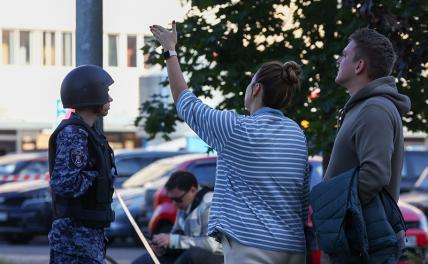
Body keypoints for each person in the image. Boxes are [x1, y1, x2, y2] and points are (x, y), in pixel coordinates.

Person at [149, 22, 309, 264]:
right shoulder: (296, 134)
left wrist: (170, 51)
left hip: (250, 248)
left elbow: (185, 102)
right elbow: (302, 197)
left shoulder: (236, 128)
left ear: (256, 89)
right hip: (293, 247)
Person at [322, 28, 411, 262]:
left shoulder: (374, 109)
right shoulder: (364, 108)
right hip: (354, 240)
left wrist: (334, 210)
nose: (339, 60)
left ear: (359, 65)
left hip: (360, 244)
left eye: (344, 55)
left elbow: (375, 173)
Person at [48, 64, 116, 264]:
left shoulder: (89, 133)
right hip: (74, 242)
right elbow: (65, 183)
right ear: (92, 94)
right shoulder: (74, 134)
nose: (110, 99)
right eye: (106, 93)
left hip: (87, 240)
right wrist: (97, 176)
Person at [132, 171, 223, 264]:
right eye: (171, 199)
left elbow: (213, 245)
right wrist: (164, 246)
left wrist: (173, 240)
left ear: (192, 190)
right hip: (188, 252)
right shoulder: (184, 205)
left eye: (177, 199)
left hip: (218, 258)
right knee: (144, 260)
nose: (174, 204)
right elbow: (176, 234)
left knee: (190, 256)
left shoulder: (209, 204)